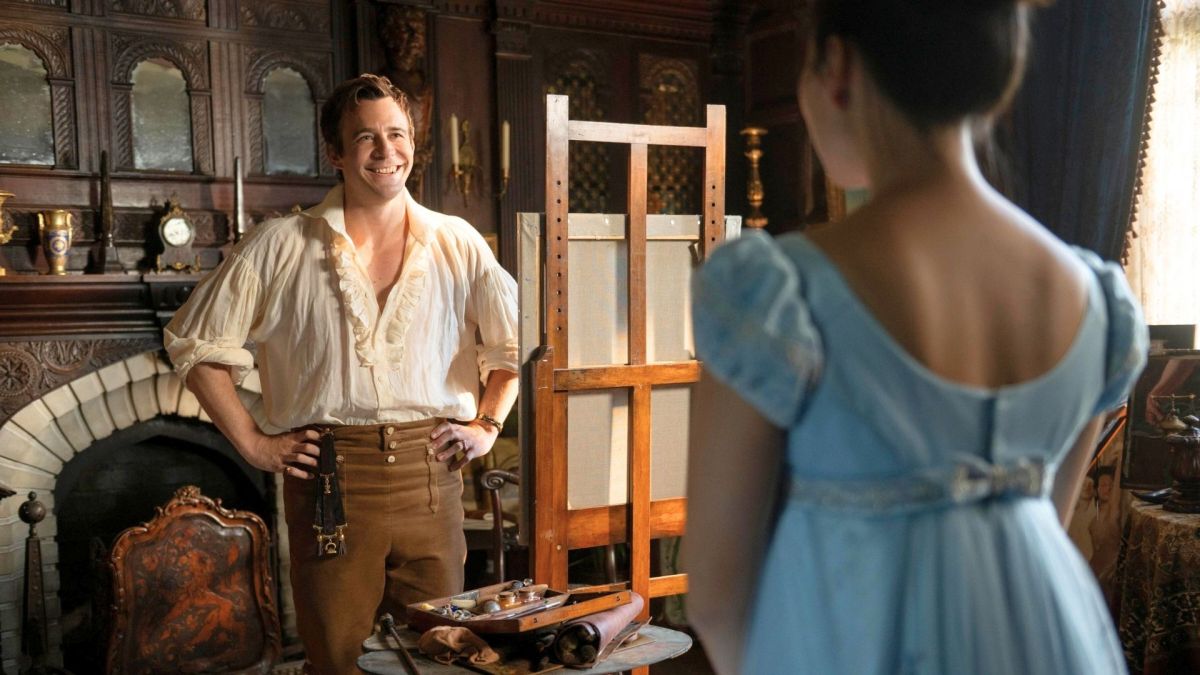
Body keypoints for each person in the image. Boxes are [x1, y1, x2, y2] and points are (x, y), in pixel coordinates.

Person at [683, 2, 1147, 674]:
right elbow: (1039, 521)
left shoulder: (778, 293)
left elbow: (717, 598)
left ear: (837, 66)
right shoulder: (1095, 302)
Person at [163, 73, 519, 674]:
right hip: (330, 480)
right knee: (336, 661)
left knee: (440, 657)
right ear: (335, 152)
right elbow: (194, 346)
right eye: (365, 137)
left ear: (413, 143)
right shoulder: (279, 244)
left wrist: (487, 425)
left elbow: (512, 349)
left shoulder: (458, 242)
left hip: (432, 476)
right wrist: (253, 443)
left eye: (397, 134)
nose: (386, 151)